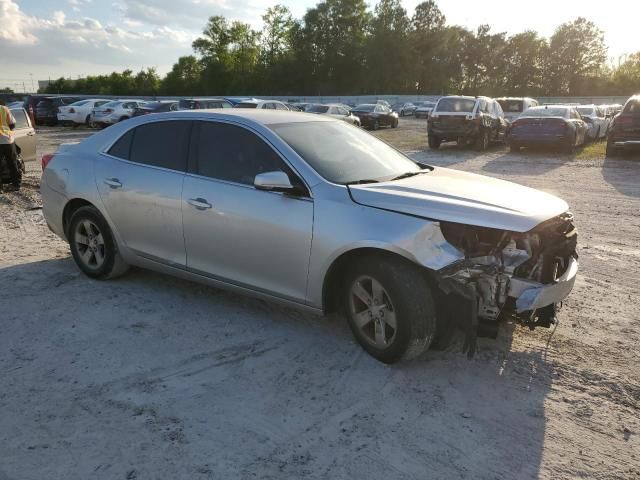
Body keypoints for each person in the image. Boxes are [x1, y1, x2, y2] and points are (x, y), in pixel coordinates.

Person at [0, 104, 21, 192]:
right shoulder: (4, 109)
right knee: (12, 163)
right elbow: (12, 124)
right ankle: (16, 185)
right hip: (8, 140)